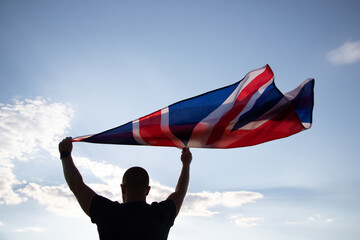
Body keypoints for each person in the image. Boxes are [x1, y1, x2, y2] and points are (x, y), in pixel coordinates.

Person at [58, 137, 192, 240]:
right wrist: (186, 164)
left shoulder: (108, 213)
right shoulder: (161, 215)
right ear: (148, 190)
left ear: (123, 188)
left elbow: (75, 184)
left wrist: (65, 154)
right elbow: (180, 192)